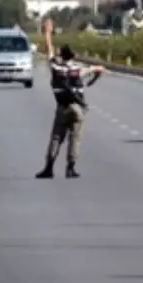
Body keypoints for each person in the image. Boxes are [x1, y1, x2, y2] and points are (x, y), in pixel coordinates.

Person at [36, 19, 104, 179]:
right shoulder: (77, 69)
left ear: (61, 56)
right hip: (78, 109)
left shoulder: (56, 67)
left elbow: (49, 50)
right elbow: (96, 69)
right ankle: (70, 168)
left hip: (62, 107)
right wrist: (97, 74)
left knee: (56, 137)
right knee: (75, 138)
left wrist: (47, 33)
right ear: (72, 56)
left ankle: (49, 168)